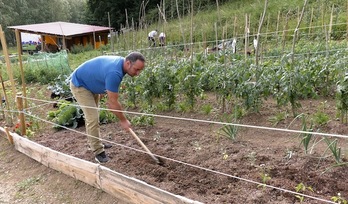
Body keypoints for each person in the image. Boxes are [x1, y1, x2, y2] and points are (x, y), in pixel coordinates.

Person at [70, 52, 146, 163]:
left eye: (140, 70)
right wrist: (123, 120)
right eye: (136, 69)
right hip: (81, 85)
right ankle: (98, 151)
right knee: (93, 118)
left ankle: (96, 141)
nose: (138, 73)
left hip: (91, 84)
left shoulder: (121, 64)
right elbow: (113, 103)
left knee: (94, 117)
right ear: (128, 63)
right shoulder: (115, 72)